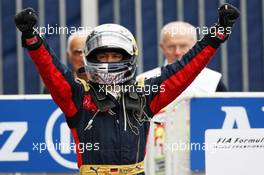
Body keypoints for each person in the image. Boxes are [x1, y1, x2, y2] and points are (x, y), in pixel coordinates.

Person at [14, 4, 239, 175]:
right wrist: (33, 40)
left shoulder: (144, 94)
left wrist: (216, 35)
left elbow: (184, 70)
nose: (108, 62)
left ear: (129, 58)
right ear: (90, 59)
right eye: (102, 56)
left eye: (115, 56)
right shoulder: (77, 95)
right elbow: (52, 72)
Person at [138, 21, 227, 92]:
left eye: (183, 46)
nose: (177, 52)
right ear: (162, 48)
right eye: (171, 46)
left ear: (195, 46)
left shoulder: (213, 81)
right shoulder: (144, 81)